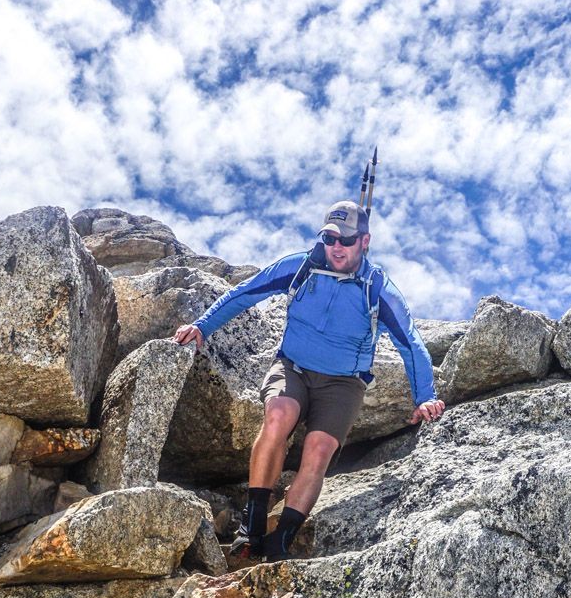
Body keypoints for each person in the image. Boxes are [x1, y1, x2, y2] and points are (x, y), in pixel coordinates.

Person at [173, 199, 445, 562]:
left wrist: (424, 395)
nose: (336, 248)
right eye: (330, 239)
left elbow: (410, 341)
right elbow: (246, 292)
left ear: (365, 241)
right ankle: (251, 528)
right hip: (293, 367)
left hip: (343, 383)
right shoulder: (302, 266)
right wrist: (202, 325)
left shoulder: (377, 288)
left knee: (318, 450)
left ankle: (280, 542)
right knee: (279, 416)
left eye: (345, 241)